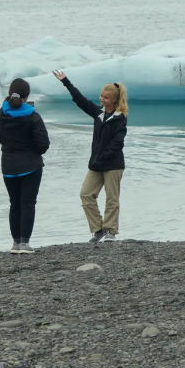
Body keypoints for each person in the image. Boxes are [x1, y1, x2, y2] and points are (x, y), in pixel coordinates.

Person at [53, 70, 128, 243]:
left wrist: (103, 157)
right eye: (101, 96)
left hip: (113, 165)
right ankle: (97, 229)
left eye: (106, 98)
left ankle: (110, 231)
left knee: (112, 199)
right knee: (86, 195)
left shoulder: (120, 118)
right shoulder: (98, 113)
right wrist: (66, 81)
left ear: (114, 100)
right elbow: (80, 100)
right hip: (96, 165)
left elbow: (118, 144)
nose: (102, 99)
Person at [0, 78, 50, 254]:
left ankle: (16, 243)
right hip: (31, 166)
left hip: (8, 166)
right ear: (27, 96)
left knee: (14, 203)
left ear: (10, 93)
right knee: (28, 203)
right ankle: (25, 244)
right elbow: (43, 144)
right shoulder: (33, 116)